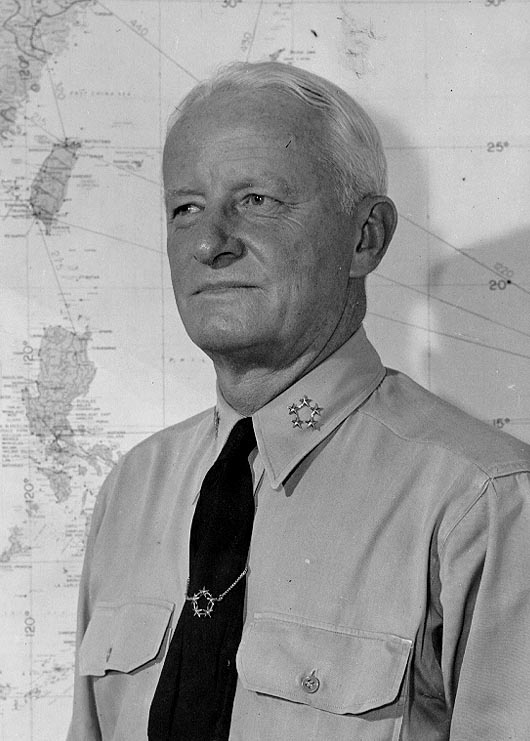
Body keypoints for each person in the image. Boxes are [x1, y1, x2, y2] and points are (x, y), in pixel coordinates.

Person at [67, 61, 530, 741]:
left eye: (256, 199)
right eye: (185, 207)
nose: (209, 243)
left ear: (364, 237)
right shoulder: (132, 489)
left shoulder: (480, 504)